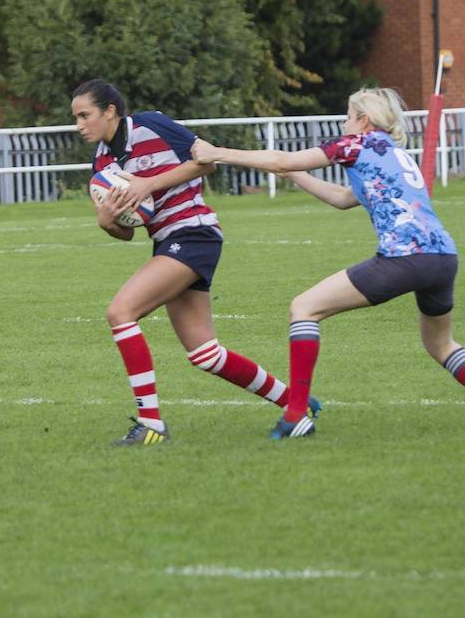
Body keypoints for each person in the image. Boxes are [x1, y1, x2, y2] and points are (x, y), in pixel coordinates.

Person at [191, 86, 465, 438]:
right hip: (444, 256)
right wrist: (294, 176)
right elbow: (343, 198)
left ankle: (295, 415)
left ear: (363, 120)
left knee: (304, 308)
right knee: (441, 344)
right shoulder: (395, 153)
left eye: (347, 115)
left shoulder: (354, 144)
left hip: (405, 257)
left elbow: (281, 159)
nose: (343, 122)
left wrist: (215, 152)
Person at [71, 79, 320, 446]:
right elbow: (128, 232)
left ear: (110, 111)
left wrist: (146, 185)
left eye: (84, 115)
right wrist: (107, 222)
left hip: (193, 234)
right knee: (205, 353)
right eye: (76, 117)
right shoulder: (103, 163)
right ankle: (296, 404)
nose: (79, 124)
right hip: (166, 242)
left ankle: (151, 424)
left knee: (120, 312)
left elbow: (206, 162)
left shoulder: (151, 125)